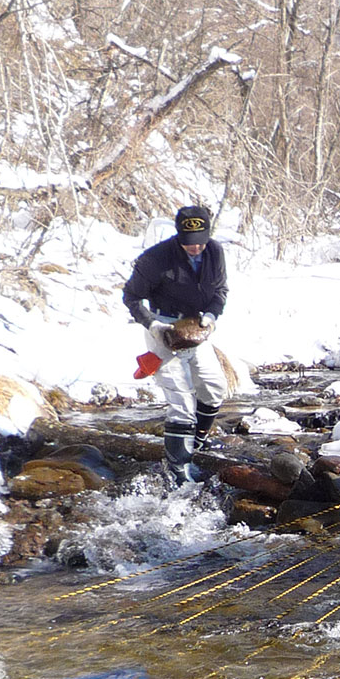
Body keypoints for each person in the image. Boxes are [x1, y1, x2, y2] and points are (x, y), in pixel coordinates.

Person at [124, 204, 230, 483]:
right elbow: (131, 297)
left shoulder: (215, 252)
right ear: (178, 236)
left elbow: (220, 290)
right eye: (188, 244)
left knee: (214, 387)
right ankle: (178, 471)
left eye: (200, 243)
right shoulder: (155, 259)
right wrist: (152, 324)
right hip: (163, 330)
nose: (195, 248)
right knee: (182, 401)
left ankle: (196, 443)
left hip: (197, 329)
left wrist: (212, 314)